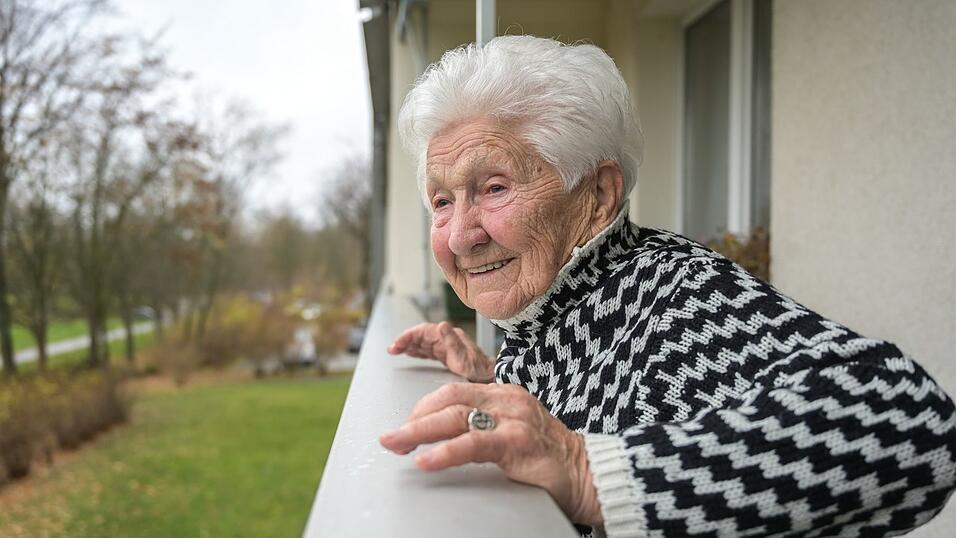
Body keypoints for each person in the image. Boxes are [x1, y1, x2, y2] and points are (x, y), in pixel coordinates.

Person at [378, 35, 956, 537]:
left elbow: (909, 420)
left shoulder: (672, 295)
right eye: (442, 201)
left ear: (597, 196)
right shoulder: (557, 307)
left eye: (495, 187)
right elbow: (598, 392)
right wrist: (493, 376)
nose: (458, 237)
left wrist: (585, 471)